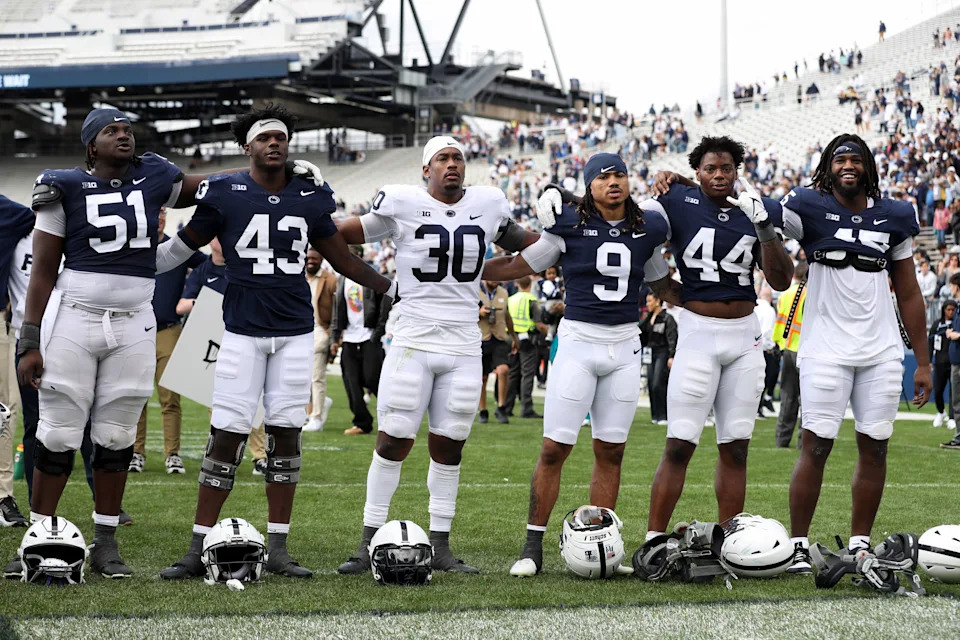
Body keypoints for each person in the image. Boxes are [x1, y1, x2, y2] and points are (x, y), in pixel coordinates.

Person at [157, 104, 394, 580]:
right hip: (241, 331)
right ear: (247, 146)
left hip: (292, 332)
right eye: (264, 137)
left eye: (280, 137)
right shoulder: (224, 191)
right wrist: (129, 263)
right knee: (225, 433)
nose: (274, 143)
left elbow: (342, 258)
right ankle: (196, 544)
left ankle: (280, 547)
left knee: (286, 434)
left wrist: (394, 288)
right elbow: (182, 248)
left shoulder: (308, 195)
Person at [334, 135, 537, 576]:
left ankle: (441, 545)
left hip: (463, 340)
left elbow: (526, 246)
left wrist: (568, 236)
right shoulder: (401, 204)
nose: (452, 165)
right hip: (412, 337)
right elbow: (340, 235)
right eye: (442, 158)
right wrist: (384, 284)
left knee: (450, 446)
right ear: (425, 169)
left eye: (458, 158)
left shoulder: (487, 205)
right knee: (393, 439)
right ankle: (368, 540)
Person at [488, 152, 679, 576]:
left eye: (620, 175)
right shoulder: (567, 226)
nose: (614, 182)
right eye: (603, 176)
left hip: (626, 344)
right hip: (578, 342)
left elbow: (659, 280)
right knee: (555, 447)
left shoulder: (649, 227)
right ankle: (532, 546)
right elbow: (521, 263)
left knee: (611, 451)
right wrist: (465, 272)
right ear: (589, 186)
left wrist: (715, 304)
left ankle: (604, 547)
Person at [776, 133, 931, 572]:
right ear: (828, 166)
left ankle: (860, 541)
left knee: (876, 446)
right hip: (825, 345)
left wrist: (921, 361)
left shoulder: (896, 215)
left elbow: (909, 291)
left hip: (880, 348)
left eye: (856, 159)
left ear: (869, 168)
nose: (849, 165)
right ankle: (800, 545)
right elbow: (755, 218)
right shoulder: (805, 204)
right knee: (816, 446)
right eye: (840, 159)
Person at [643, 136, 794, 543]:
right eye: (710, 168)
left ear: (737, 171)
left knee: (736, 446)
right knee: (679, 443)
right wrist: (664, 286)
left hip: (745, 335)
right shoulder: (675, 200)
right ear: (698, 172)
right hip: (697, 332)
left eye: (726, 168)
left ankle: (733, 539)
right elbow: (635, 236)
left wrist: (764, 227)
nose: (719, 175)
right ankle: (654, 538)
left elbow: (781, 279)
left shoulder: (757, 210)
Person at [175, 237, 268, 475]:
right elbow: (182, 306)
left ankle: (260, 456)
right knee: (215, 400)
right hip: (210, 341)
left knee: (251, 397)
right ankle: (220, 453)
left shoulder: (241, 265)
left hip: (242, 337)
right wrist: (206, 303)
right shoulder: (202, 270)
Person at [130, 208, 205, 476]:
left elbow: (209, 266)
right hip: (134, 328)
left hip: (167, 329)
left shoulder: (177, 247)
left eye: (163, 212)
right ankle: (135, 452)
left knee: (170, 397)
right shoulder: (134, 244)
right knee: (135, 395)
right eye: (155, 211)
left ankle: (172, 454)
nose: (159, 217)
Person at [330, 247, 391, 435]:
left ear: (360, 257)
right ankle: (362, 423)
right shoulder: (341, 279)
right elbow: (337, 309)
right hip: (349, 337)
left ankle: (391, 415)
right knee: (351, 382)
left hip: (369, 336)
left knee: (372, 377)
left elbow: (385, 304)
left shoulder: (371, 277)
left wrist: (377, 332)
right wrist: (335, 337)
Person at [0, 194, 34, 527]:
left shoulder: (9, 212)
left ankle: (2, 496)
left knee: (5, 410)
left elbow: (43, 220)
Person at [773, 260, 808, 448]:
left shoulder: (785, 295)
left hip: (787, 349)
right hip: (807, 351)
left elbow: (779, 322)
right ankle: (804, 442)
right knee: (808, 400)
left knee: (788, 398)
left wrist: (779, 344)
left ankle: (782, 440)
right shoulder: (813, 293)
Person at [303, 247, 337, 432]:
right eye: (308, 258)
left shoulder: (330, 280)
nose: (311, 261)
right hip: (300, 331)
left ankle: (316, 418)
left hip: (320, 330)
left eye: (315, 258)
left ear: (321, 259)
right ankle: (314, 409)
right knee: (302, 376)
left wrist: (333, 335)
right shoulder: (298, 279)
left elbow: (338, 310)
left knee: (316, 376)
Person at [503, 276, 545, 419]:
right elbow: (539, 323)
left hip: (511, 338)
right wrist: (546, 332)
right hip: (528, 339)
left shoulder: (511, 299)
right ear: (530, 284)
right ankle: (526, 407)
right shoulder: (532, 300)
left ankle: (506, 407)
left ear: (517, 284)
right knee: (527, 374)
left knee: (513, 373)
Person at [477, 279, 518, 424]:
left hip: (499, 338)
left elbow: (507, 315)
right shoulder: (474, 291)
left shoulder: (504, 292)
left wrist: (514, 337)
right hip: (481, 338)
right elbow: (461, 313)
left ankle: (501, 407)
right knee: (482, 378)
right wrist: (479, 312)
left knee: (504, 370)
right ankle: (483, 410)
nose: (496, 281)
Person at [639, 292, 677, 425]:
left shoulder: (667, 318)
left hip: (663, 352)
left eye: (650, 301)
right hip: (650, 352)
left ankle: (663, 415)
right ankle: (655, 414)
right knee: (650, 383)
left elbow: (672, 338)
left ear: (657, 301)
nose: (648, 304)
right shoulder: (648, 319)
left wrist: (671, 356)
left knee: (658, 383)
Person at [931, 298, 957, 429]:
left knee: (954, 392)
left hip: (953, 362)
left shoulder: (956, 325)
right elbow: (930, 343)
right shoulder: (937, 324)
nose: (951, 312)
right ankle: (941, 412)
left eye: (953, 310)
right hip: (939, 362)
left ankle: (952, 417)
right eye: (949, 309)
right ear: (944, 310)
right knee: (938, 391)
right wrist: (928, 361)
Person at [755, 287, 778, 417]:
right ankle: (759, 407)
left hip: (752, 347)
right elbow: (768, 331)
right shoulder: (769, 310)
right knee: (765, 379)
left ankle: (756, 407)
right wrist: (770, 346)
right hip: (764, 348)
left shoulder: (755, 307)